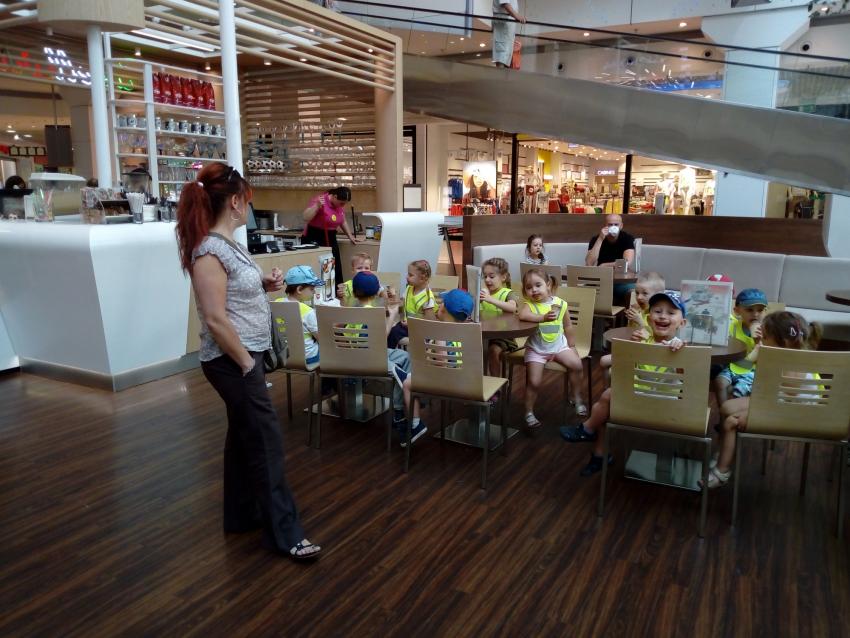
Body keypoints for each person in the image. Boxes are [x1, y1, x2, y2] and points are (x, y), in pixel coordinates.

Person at [175, 162, 320, 561]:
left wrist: (265, 284)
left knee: (244, 436)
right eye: (249, 200)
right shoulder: (208, 250)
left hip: (243, 356)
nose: (249, 207)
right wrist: (244, 362)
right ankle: (285, 533)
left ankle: (241, 515)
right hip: (231, 360)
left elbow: (235, 295)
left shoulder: (229, 245)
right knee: (265, 442)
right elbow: (214, 317)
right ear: (236, 202)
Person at [560, 291, 688, 476]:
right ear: (649, 318)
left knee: (608, 399)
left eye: (671, 312)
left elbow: (686, 375)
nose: (662, 316)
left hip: (665, 407)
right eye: (657, 311)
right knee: (605, 405)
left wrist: (681, 350)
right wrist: (631, 348)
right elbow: (618, 365)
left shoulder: (679, 346)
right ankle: (599, 453)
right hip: (639, 398)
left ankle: (587, 429)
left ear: (682, 323)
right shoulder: (642, 340)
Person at [702, 311, 822, 489]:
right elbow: (740, 370)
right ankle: (724, 450)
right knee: (726, 407)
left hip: (797, 414)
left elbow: (782, 398)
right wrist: (756, 353)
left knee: (731, 422)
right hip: (783, 404)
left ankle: (722, 471)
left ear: (783, 342)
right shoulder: (786, 354)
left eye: (765, 337)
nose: (761, 340)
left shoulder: (790, 363)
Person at [398, 289, 475, 445]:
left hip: (444, 381)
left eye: (441, 304)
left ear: (444, 310)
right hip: (461, 378)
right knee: (411, 376)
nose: (438, 305)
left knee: (407, 384)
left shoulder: (441, 333)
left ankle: (415, 424)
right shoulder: (463, 330)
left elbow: (441, 363)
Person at [518, 268, 587, 433]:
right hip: (536, 350)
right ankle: (528, 412)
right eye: (529, 287)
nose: (534, 290)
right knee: (534, 382)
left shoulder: (560, 304)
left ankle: (576, 397)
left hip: (558, 347)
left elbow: (568, 326)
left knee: (577, 365)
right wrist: (542, 318)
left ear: (548, 285)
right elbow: (523, 315)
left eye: (538, 285)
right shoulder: (529, 305)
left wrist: (572, 346)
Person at [347, 271, 411, 435]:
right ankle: (399, 408)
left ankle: (399, 403)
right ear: (377, 292)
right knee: (401, 364)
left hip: (352, 355)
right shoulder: (373, 312)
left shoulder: (351, 308)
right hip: (369, 356)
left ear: (354, 292)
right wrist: (392, 316)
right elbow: (381, 338)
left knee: (405, 357)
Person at [599, 271, 665, 378]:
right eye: (637, 293)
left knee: (612, 371)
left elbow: (654, 336)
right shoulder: (638, 309)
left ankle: (618, 385)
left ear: (658, 296)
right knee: (603, 361)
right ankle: (610, 386)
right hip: (632, 349)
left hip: (647, 355)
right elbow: (630, 332)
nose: (639, 297)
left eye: (645, 293)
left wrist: (639, 321)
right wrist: (631, 320)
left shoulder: (659, 315)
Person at [713, 288, 767, 404]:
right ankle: (724, 413)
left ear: (765, 312)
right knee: (719, 382)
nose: (755, 314)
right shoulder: (732, 326)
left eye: (760, 310)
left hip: (753, 370)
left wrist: (758, 342)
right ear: (737, 311)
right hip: (734, 366)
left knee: (738, 390)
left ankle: (733, 411)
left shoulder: (767, 332)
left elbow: (765, 358)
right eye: (749, 310)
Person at [302, 186, 357, 285]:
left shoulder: (339, 206)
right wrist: (316, 206)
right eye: (341, 203)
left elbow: (342, 221)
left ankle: (335, 291)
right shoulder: (320, 200)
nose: (343, 205)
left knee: (334, 267)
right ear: (334, 196)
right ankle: (319, 289)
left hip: (330, 237)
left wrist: (350, 236)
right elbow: (305, 217)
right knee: (320, 267)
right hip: (315, 237)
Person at [480, 257, 520, 379]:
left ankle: (496, 383)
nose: (487, 280)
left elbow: (512, 307)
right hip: (484, 335)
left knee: (493, 351)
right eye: (485, 276)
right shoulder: (484, 294)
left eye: (491, 276)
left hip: (504, 337)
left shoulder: (508, 293)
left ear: (503, 277)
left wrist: (490, 299)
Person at [275, 266, 323, 368]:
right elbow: (321, 338)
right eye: (312, 289)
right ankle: (322, 378)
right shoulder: (307, 311)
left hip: (283, 356)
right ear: (299, 289)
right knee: (329, 347)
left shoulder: (276, 303)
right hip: (307, 357)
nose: (314, 292)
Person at [387, 260, 436, 349]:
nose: (407, 277)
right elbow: (402, 303)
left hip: (420, 328)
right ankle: (390, 353)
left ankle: (392, 353)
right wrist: (393, 295)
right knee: (392, 331)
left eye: (410, 275)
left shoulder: (427, 297)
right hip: (407, 325)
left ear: (422, 278)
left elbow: (430, 321)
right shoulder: (409, 288)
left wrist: (412, 323)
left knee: (394, 333)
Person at [585, 213, 636, 298]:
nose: (613, 227)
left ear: (621, 226)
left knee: (631, 289)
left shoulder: (627, 238)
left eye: (616, 224)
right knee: (585, 291)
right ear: (605, 226)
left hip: (620, 280)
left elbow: (627, 262)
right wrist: (600, 239)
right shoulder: (596, 239)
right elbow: (589, 262)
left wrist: (605, 265)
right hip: (601, 279)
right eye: (610, 225)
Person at [492, 1, 526, 69]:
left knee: (505, 53)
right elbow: (504, 3)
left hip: (507, 20)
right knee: (502, 54)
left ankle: (502, 73)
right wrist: (517, 16)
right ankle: (500, 74)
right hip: (504, 20)